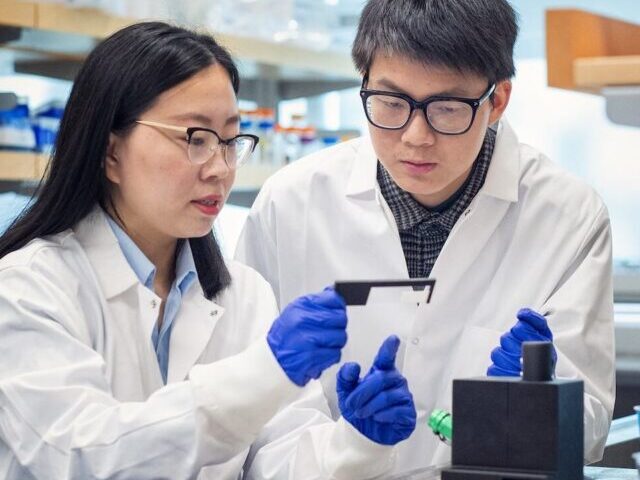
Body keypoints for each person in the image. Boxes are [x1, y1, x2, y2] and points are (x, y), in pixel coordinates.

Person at [0, 22, 417, 479]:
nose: (220, 168)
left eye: (230, 141)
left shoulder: (242, 294)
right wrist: (263, 372)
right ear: (110, 151)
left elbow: (278, 461)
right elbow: (82, 456)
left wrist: (358, 443)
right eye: (195, 139)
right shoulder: (26, 289)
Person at [236, 0, 615, 473]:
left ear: (497, 101)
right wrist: (346, 447)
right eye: (391, 103)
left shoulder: (568, 215)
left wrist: (537, 401)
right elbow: (250, 414)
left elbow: (591, 424)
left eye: (447, 108)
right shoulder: (289, 203)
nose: (415, 136)